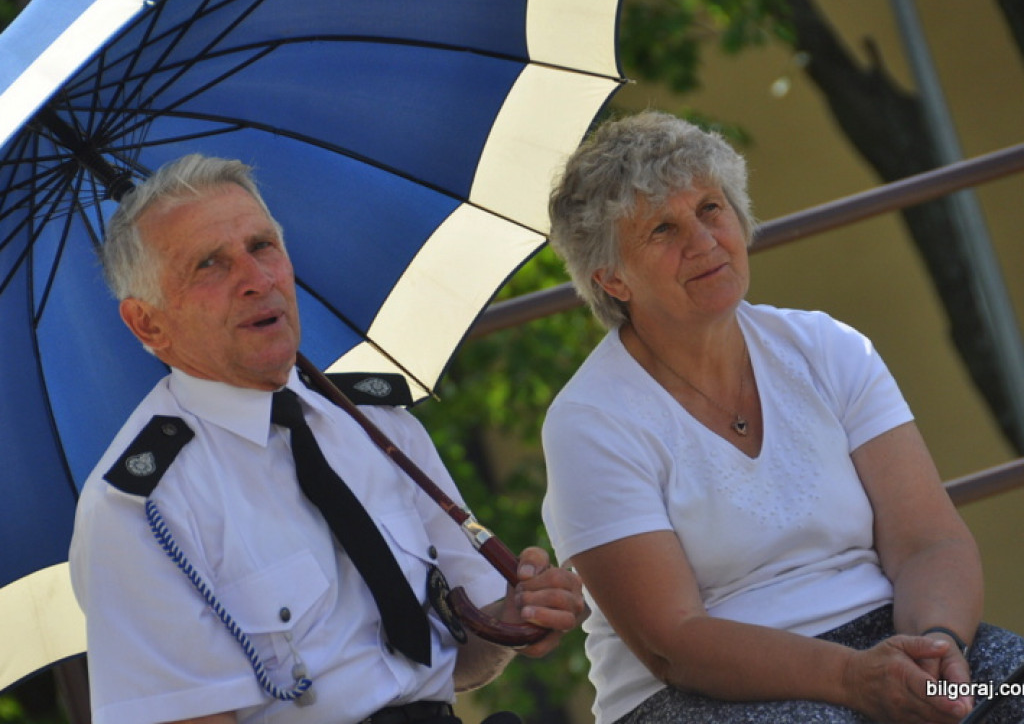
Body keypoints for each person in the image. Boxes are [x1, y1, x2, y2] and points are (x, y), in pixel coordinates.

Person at [539, 110, 1024, 724]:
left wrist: (940, 648)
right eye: (663, 229)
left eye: (712, 208)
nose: (704, 241)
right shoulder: (590, 421)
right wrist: (853, 680)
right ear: (611, 280)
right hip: (704, 692)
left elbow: (928, 539)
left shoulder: (826, 346)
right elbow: (673, 642)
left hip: (894, 644)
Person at [69, 154, 585, 724]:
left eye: (263, 246)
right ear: (148, 323)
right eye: (210, 265)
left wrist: (514, 617)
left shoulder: (374, 422)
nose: (257, 280)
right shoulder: (141, 510)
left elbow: (460, 658)